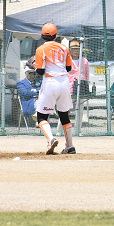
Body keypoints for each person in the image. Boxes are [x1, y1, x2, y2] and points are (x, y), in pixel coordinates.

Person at [33, 23, 76, 154]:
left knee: (41, 117)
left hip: (50, 82)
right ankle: (70, 147)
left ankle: (51, 139)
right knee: (64, 115)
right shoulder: (64, 47)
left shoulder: (40, 49)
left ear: (42, 36)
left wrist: (34, 65)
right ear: (55, 35)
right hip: (64, 82)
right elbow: (69, 68)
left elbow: (40, 71)